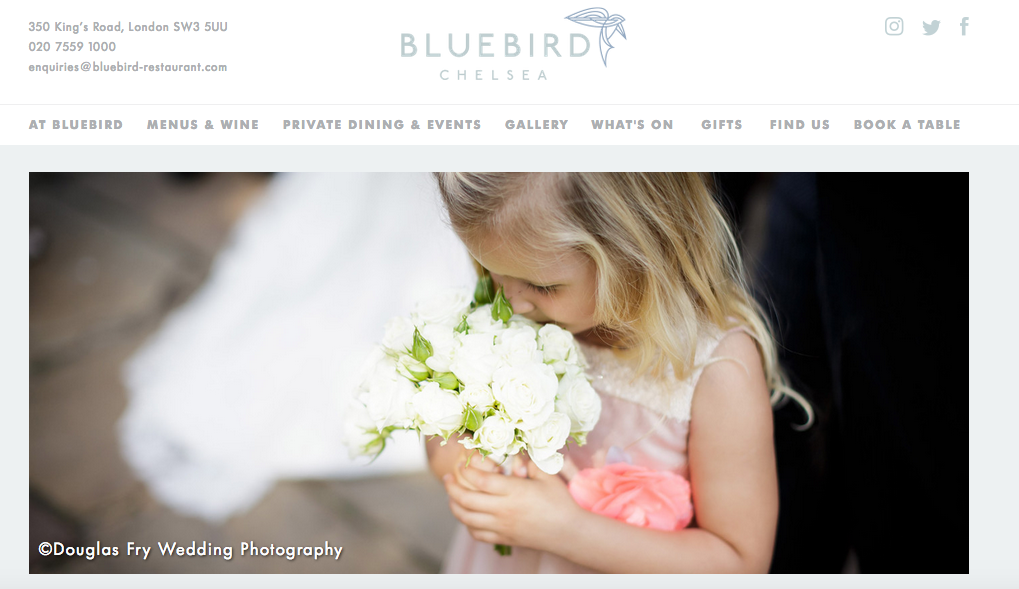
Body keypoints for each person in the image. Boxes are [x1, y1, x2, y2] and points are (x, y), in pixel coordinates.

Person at [426, 173, 812, 573]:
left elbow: (739, 562)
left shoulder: (716, 367)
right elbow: (443, 434)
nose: (509, 301)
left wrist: (565, 530)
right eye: (490, 270)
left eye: (541, 286)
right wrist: (465, 466)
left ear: (634, 249)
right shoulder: (513, 310)